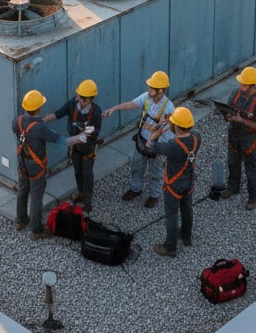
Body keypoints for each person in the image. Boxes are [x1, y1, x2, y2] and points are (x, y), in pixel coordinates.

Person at [14, 90, 93, 239]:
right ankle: (36, 230)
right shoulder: (41, 128)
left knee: (23, 190)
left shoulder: (17, 121)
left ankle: (21, 220)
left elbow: (19, 131)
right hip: (36, 166)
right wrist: (80, 138)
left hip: (22, 162)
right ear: (38, 109)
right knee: (36, 196)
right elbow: (62, 140)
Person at [103, 70, 174, 208]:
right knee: (136, 165)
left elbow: (168, 131)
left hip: (158, 144)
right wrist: (114, 109)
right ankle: (136, 189)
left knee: (156, 170)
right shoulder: (147, 97)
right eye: (150, 86)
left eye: (152, 87)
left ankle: (154, 195)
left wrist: (154, 137)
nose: (149, 89)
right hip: (142, 139)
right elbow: (132, 104)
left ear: (161, 90)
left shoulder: (168, 108)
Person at [146, 107, 200, 257]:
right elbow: (187, 130)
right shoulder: (197, 138)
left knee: (171, 215)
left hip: (173, 186)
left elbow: (152, 147)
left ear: (176, 126)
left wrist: (155, 136)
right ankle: (186, 236)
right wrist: (173, 120)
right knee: (187, 209)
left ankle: (170, 247)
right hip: (188, 182)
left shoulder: (173, 146)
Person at [43, 79, 102, 214]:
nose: (81, 101)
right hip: (75, 147)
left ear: (91, 99)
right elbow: (58, 113)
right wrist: (45, 120)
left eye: (84, 99)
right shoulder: (72, 104)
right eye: (80, 98)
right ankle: (81, 193)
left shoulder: (96, 112)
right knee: (77, 172)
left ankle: (87, 201)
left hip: (88, 149)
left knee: (87, 174)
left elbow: (95, 131)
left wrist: (86, 133)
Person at [221, 66, 256, 210]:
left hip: (248, 141)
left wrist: (241, 120)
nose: (241, 87)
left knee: (251, 170)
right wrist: (228, 116)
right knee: (232, 164)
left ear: (252, 86)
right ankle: (232, 187)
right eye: (241, 83)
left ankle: (253, 197)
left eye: (244, 85)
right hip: (233, 138)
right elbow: (227, 111)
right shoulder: (236, 94)